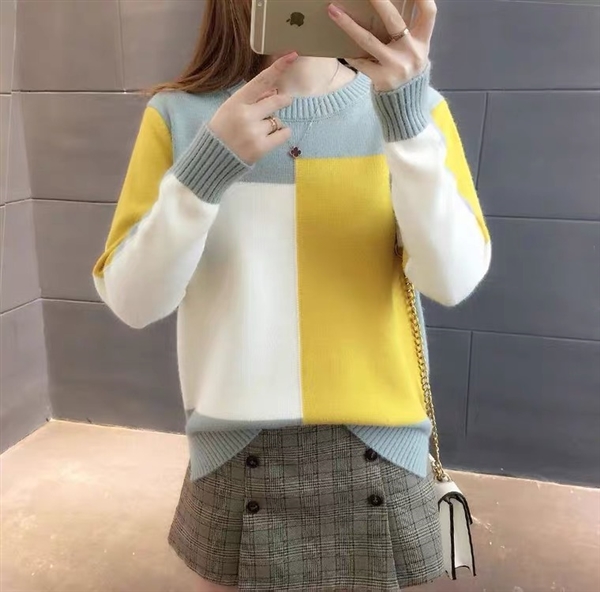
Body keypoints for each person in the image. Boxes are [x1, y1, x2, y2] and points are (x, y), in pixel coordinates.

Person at [93, 0, 490, 590]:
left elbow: (452, 280)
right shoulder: (179, 116)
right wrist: (204, 171)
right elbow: (133, 301)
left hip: (383, 447)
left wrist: (407, 125)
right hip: (233, 451)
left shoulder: (415, 111)